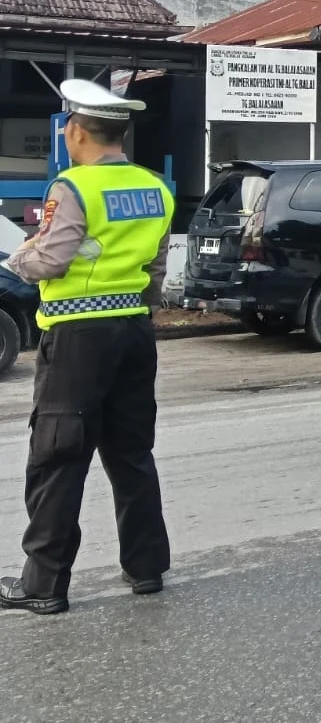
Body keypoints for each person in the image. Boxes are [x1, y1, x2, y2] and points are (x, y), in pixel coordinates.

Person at [0, 81, 173, 615]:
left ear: (75, 131)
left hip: (78, 337)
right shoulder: (155, 187)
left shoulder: (73, 186)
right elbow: (157, 267)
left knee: (58, 453)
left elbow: (50, 259)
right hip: (134, 330)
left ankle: (43, 585)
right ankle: (146, 568)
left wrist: (17, 258)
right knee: (131, 451)